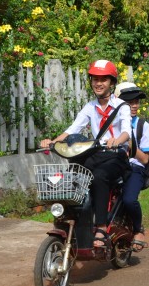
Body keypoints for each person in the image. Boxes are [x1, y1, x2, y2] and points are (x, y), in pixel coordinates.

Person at [40, 60, 131, 248]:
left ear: (112, 83)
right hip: (97, 154)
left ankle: (101, 226)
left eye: (103, 79)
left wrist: (118, 141)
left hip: (116, 156)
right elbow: (73, 128)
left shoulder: (122, 107)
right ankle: (73, 219)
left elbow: (126, 132)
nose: (98, 83)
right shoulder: (90, 107)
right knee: (75, 174)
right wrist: (53, 141)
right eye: (95, 79)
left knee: (98, 177)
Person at [115, 82, 149, 251]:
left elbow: (144, 159)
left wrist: (128, 142)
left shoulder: (142, 126)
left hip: (135, 168)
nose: (135, 105)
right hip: (114, 165)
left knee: (129, 200)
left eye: (136, 101)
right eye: (130, 102)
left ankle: (138, 229)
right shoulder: (112, 123)